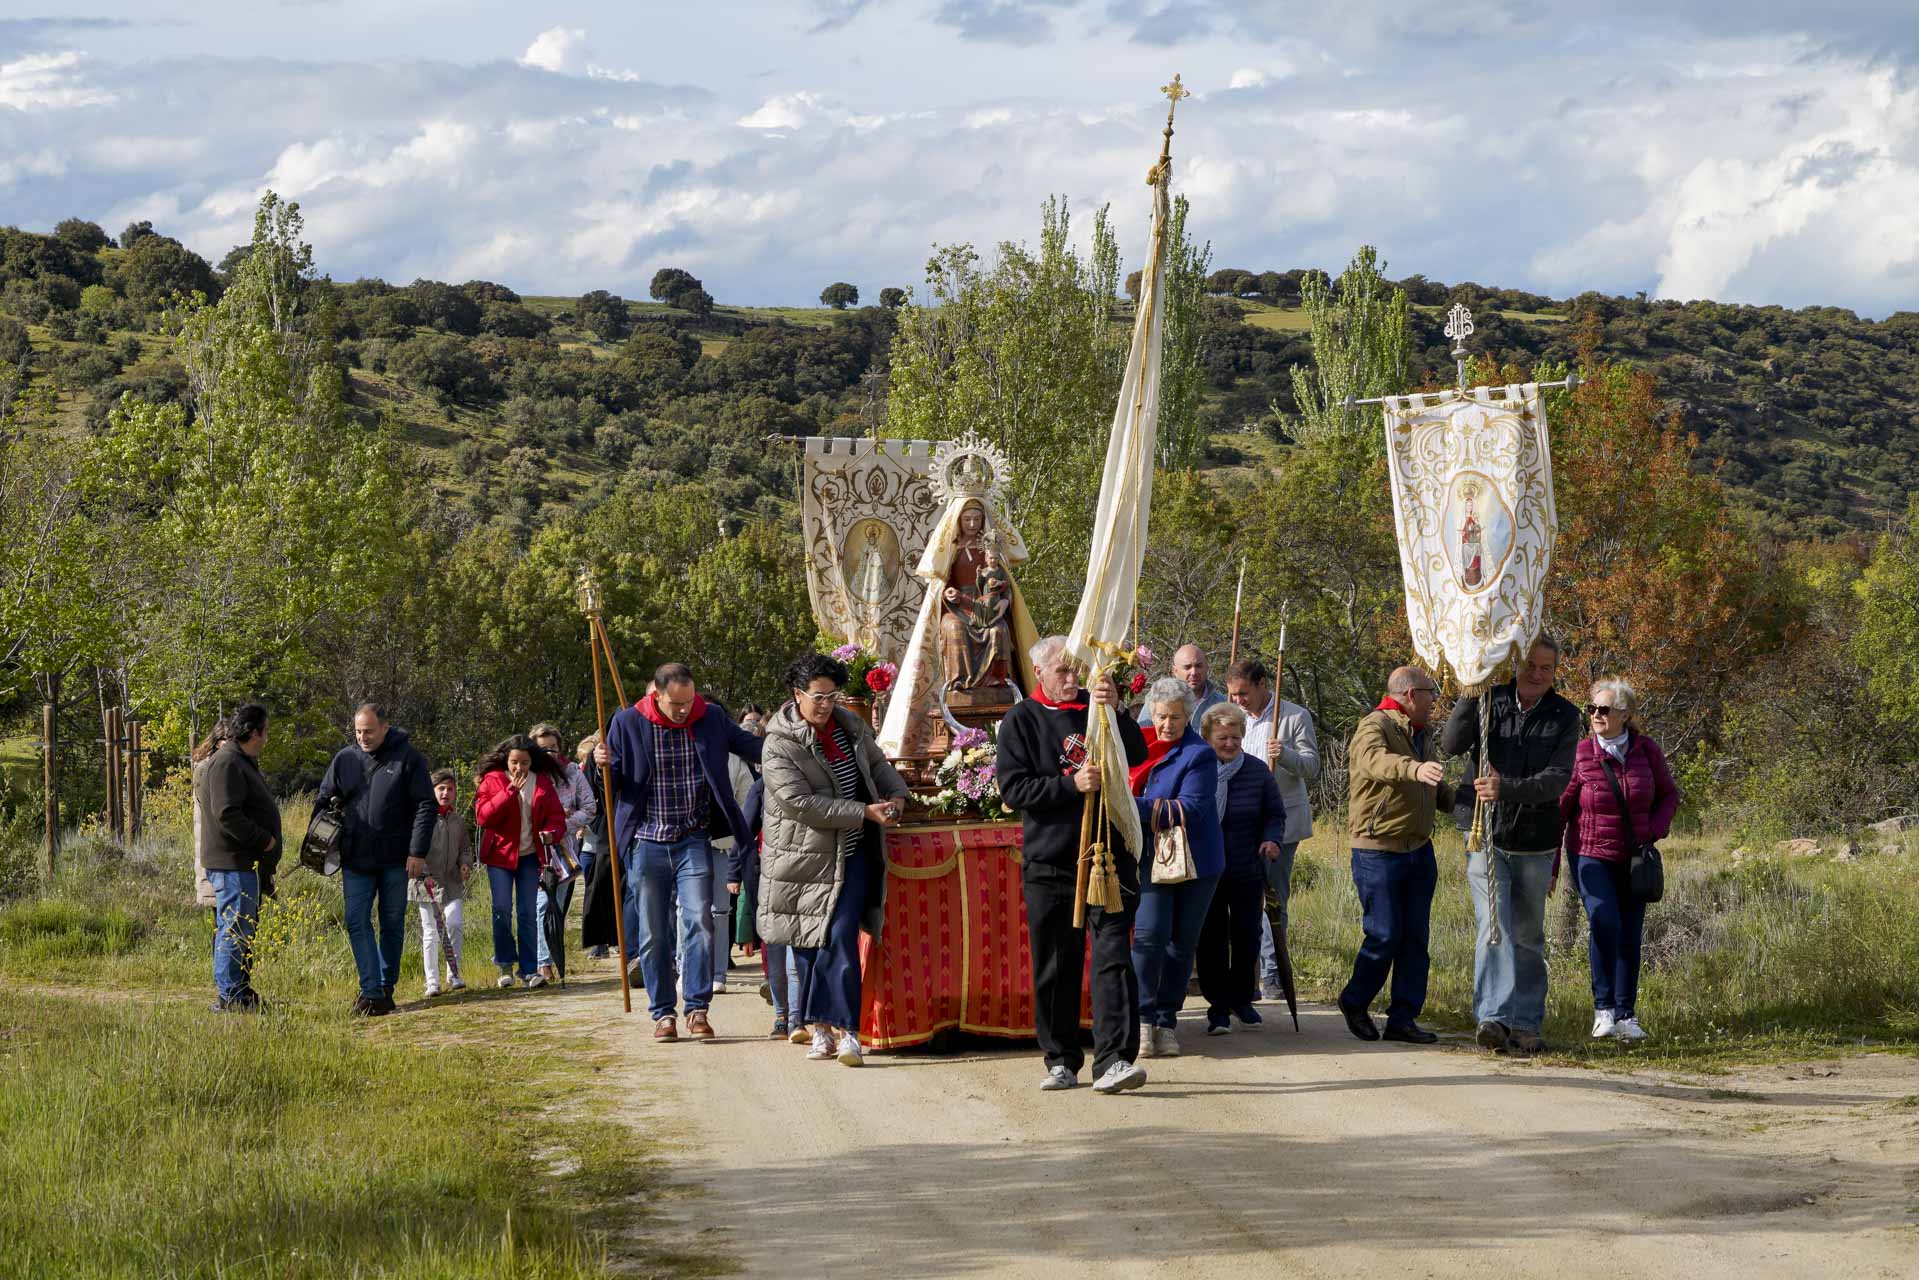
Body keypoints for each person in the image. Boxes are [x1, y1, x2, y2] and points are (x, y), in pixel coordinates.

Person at [999, 635, 1150, 1094]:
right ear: (1040, 673)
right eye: (1061, 671)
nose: (1070, 679)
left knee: (1112, 958)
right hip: (1053, 859)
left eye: (1075, 670)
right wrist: (1070, 785)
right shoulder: (1022, 719)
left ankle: (1113, 1061)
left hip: (1107, 852)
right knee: (1057, 963)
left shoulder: (1097, 707)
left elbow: (1137, 753)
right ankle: (1061, 1058)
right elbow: (1014, 790)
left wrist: (1116, 708)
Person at [758, 651, 911, 1067]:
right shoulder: (778, 744)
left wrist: (895, 795)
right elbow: (798, 802)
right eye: (818, 697)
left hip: (855, 852)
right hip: (804, 861)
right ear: (797, 694)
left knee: (841, 935)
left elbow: (878, 765)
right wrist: (862, 811)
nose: (826, 705)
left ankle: (850, 1034)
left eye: (832, 696)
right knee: (810, 945)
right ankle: (820, 1030)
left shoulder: (851, 726)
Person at [597, 663, 763, 1042]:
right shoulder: (627, 722)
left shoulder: (712, 718)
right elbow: (616, 783)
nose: (685, 709)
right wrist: (601, 765)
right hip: (647, 841)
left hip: (694, 838)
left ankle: (697, 1008)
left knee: (700, 922)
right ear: (655, 694)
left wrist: (789, 740)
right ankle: (662, 1014)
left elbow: (751, 745)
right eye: (676, 703)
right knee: (654, 933)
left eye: (690, 701)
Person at [1441, 635, 1581, 1055]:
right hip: (1485, 834)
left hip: (1535, 840)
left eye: (1546, 668)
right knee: (1493, 927)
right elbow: (1450, 746)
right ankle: (1492, 1018)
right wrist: (1472, 687)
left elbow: (1557, 779)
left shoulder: (1565, 716)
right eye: (1530, 666)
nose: (1537, 675)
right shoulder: (1489, 701)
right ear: (1514, 665)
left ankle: (1525, 1024)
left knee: (1526, 936)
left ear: (1555, 672)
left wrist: (1507, 788)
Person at [1338, 666, 1456, 1045]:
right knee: (1384, 934)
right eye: (1429, 693)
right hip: (1378, 850)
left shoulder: (1422, 734)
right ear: (1409, 694)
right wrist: (1415, 768)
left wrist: (1463, 798)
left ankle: (1403, 1018)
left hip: (1419, 849)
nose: (1434, 701)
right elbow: (1376, 762)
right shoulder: (1374, 726)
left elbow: (1431, 788)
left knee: (1414, 939)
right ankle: (1355, 1000)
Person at [1559, 678, 1679, 1043]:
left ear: (1625, 715)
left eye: (1604, 710)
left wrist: (1654, 830)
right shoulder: (1580, 753)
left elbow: (1669, 794)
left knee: (1630, 934)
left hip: (1633, 858)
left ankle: (1626, 1015)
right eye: (1592, 709)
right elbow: (1562, 807)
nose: (1596, 715)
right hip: (1590, 854)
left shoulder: (1647, 751)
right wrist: (1550, 862)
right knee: (1604, 920)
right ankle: (1603, 1009)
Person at [317, 703, 437, 1017]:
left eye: (369, 731)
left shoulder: (409, 759)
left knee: (392, 923)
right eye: (358, 731)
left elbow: (426, 805)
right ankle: (371, 990)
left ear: (385, 727)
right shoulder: (344, 760)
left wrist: (417, 851)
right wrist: (322, 841)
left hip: (397, 859)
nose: (363, 737)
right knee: (355, 919)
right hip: (355, 858)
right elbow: (322, 802)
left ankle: (385, 987)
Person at [1129, 676, 1224, 1059]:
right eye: (1161, 716)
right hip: (1151, 857)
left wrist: (1128, 805)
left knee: (1181, 943)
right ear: (1151, 712)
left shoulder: (1198, 754)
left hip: (1196, 862)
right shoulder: (1139, 747)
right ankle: (1141, 1018)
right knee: (1149, 936)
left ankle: (1167, 1020)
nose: (1167, 724)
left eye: (1176, 718)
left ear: (1188, 717)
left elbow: (1193, 809)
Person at [1226, 658, 1318, 1001]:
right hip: (1238, 825)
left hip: (1281, 825)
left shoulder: (1294, 716)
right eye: (1233, 695)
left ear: (1263, 684)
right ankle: (1244, 979)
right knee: (1240, 903)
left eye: (1244, 693)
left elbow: (1312, 767)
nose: (1238, 701)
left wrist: (1288, 755)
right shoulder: (1232, 718)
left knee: (1273, 901)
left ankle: (1273, 974)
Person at [1193, 702, 1286, 1035]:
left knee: (1248, 934)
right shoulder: (1197, 771)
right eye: (1222, 737)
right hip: (1206, 870)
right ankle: (1217, 1005)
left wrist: (1271, 840)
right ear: (1207, 738)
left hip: (1246, 867)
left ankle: (1242, 999)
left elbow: (1275, 815)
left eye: (1235, 737)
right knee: (1211, 937)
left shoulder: (1258, 771)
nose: (1229, 743)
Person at [198, 703, 279, 1013]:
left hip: (244, 863)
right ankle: (230, 996)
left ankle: (240, 990)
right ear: (254, 732)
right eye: (266, 732)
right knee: (234, 929)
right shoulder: (227, 763)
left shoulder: (239, 760)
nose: (266, 739)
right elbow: (227, 814)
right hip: (233, 862)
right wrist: (264, 839)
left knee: (241, 928)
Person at [475, 734, 568, 989]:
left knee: (527, 913)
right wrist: (509, 792)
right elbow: (483, 817)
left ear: (531, 762)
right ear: (507, 760)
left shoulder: (543, 783)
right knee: (502, 910)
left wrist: (551, 832)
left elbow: (557, 817)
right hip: (500, 857)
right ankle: (505, 964)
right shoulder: (493, 780)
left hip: (530, 857)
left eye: (524, 763)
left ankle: (528, 970)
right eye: (514, 762)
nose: (519, 768)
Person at [530, 722, 598, 985]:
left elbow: (589, 807)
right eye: (542, 749)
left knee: (554, 906)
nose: (549, 754)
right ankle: (541, 964)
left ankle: (552, 959)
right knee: (540, 905)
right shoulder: (527, 773)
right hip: (534, 850)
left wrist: (562, 825)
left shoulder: (571, 773)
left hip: (563, 850)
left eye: (553, 748)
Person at [411, 769, 474, 997]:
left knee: (455, 923)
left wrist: (465, 863)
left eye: (450, 789)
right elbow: (412, 849)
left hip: (452, 882)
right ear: (432, 791)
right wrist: (422, 873)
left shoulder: (457, 820)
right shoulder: (421, 818)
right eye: (441, 789)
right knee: (431, 932)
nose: (445, 793)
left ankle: (454, 973)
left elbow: (465, 848)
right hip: (425, 883)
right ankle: (432, 982)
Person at [189, 717, 231, 908]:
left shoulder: (220, 766)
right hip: (214, 858)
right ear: (217, 741)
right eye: (227, 740)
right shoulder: (208, 769)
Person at [1136, 643, 1226, 728]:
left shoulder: (1222, 704)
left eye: (1198, 666)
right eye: (1187, 667)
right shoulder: (1157, 700)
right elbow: (1142, 736)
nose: (1194, 672)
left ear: (1207, 667)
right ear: (1175, 671)